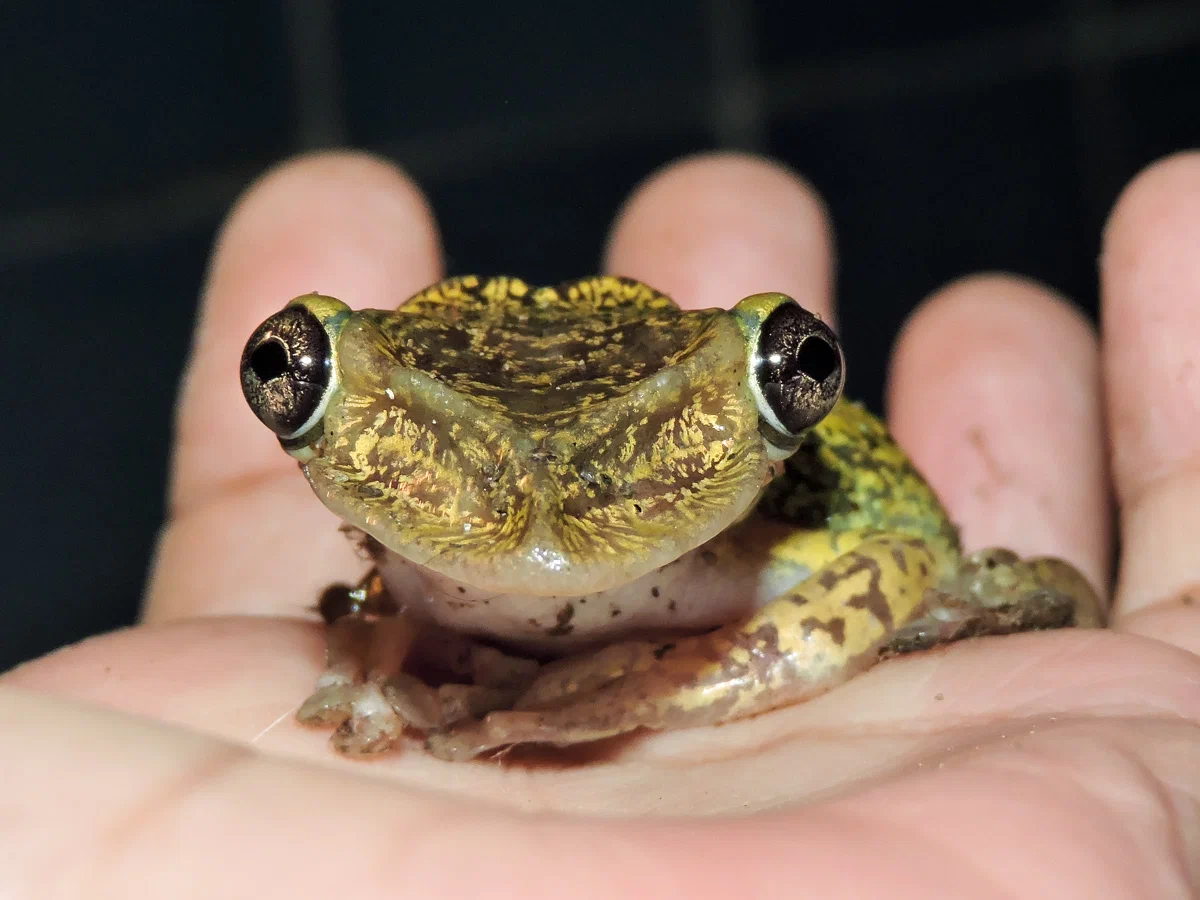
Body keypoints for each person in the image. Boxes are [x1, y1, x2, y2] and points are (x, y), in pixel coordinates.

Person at [5, 150, 1197, 897]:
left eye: (795, 373)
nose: (541, 520)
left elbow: (896, 556)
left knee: (1039, 598)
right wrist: (371, 656)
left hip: (819, 585)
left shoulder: (763, 491)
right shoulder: (407, 487)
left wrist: (679, 682)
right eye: (290, 375)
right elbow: (381, 585)